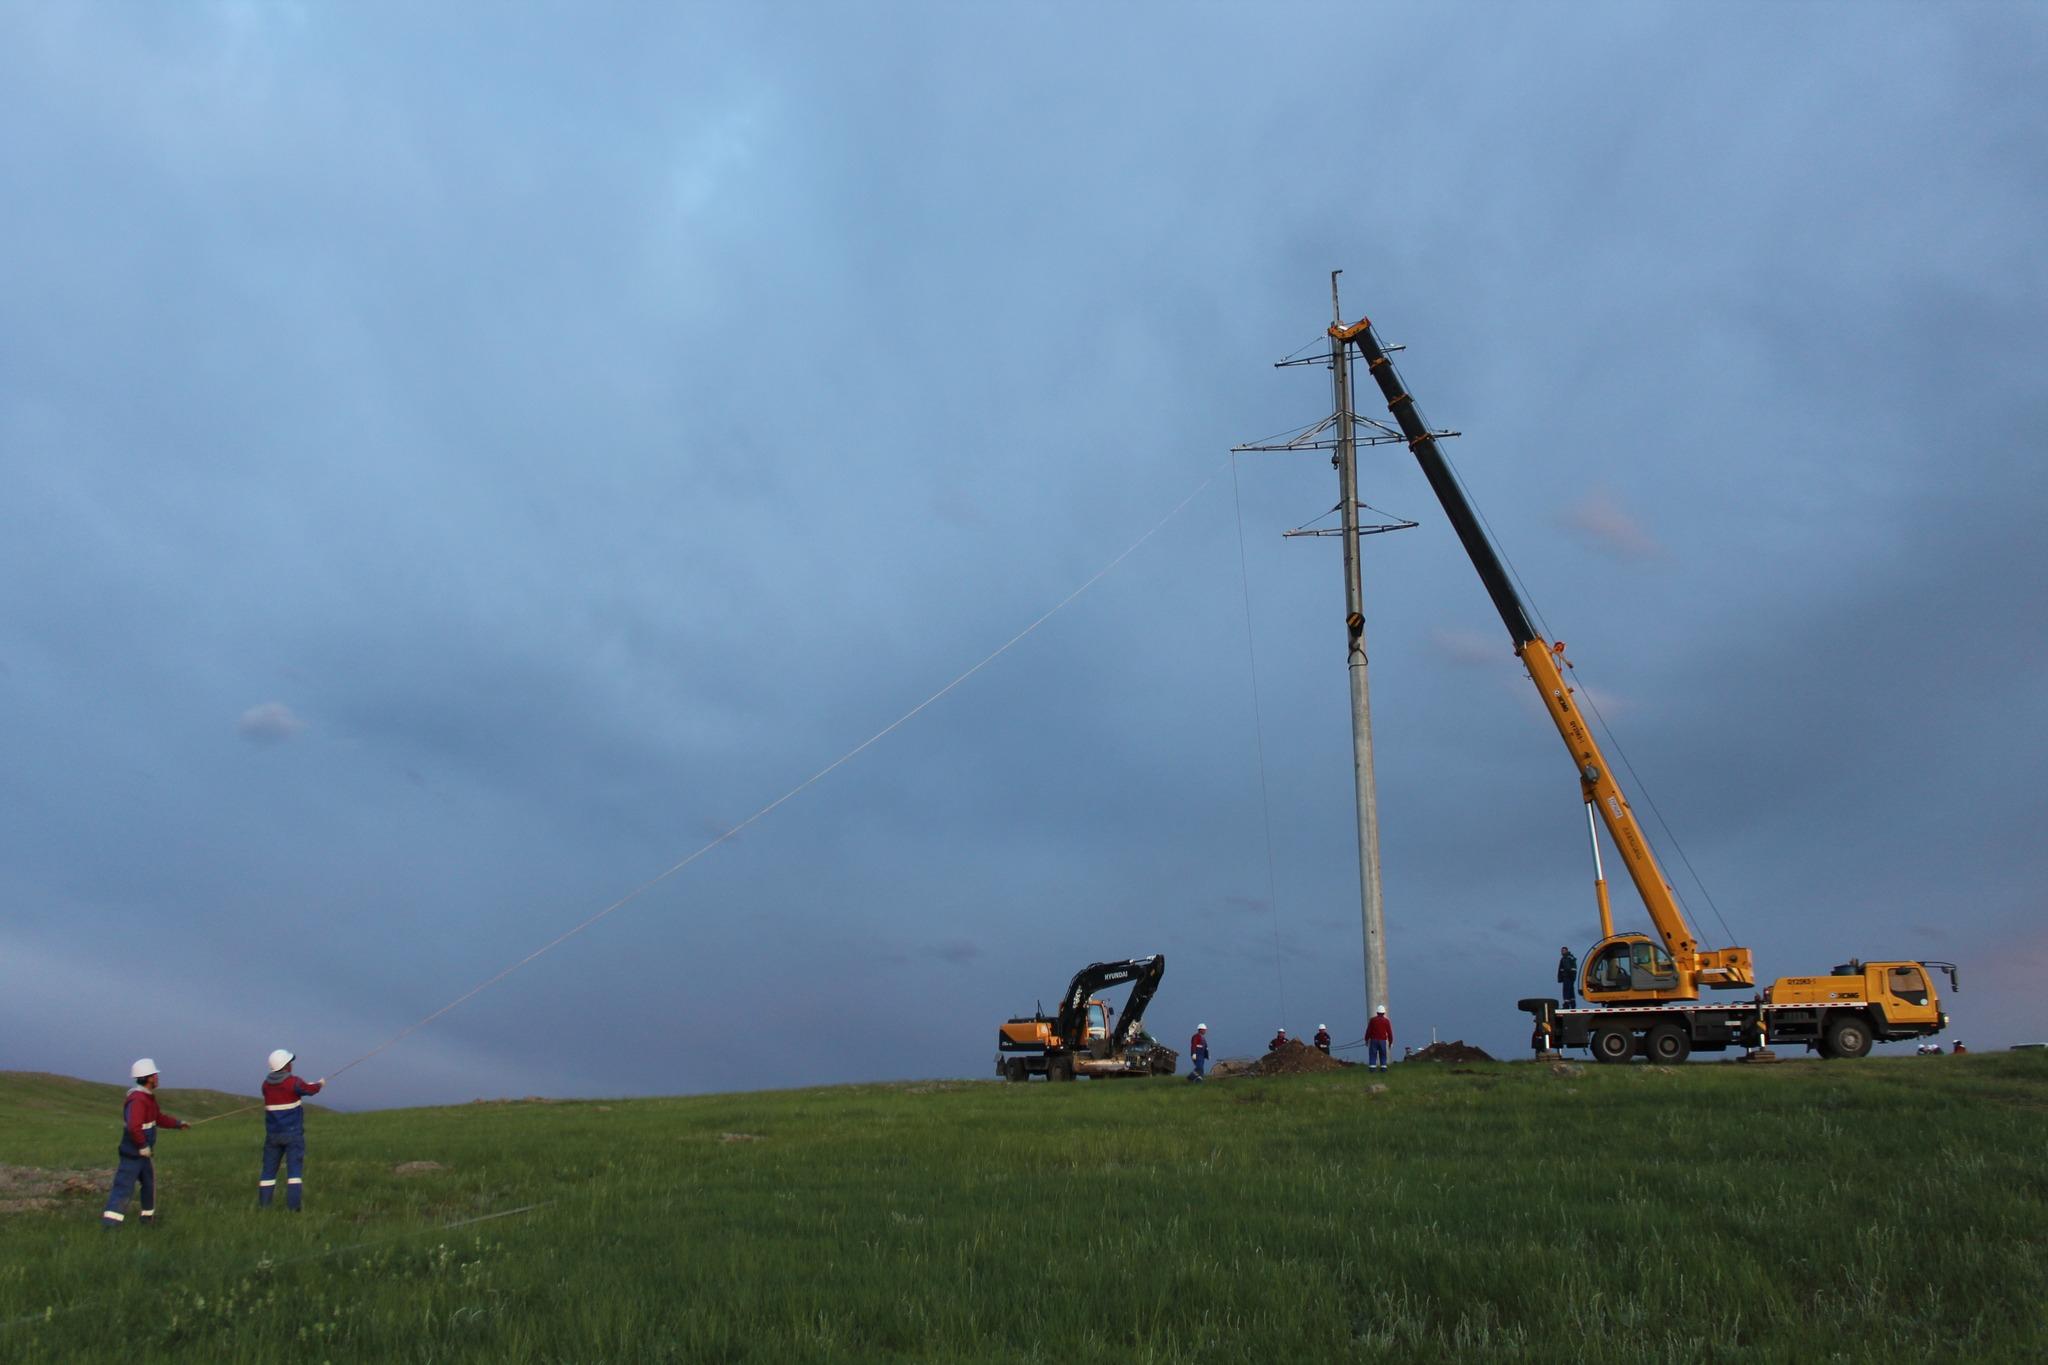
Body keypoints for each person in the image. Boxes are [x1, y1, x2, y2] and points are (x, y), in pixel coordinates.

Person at [101, 1059, 189, 1228]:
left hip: (144, 1155)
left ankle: (147, 1221)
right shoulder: (138, 1100)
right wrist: (142, 1146)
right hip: (133, 1155)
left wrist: (178, 1124)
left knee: (149, 1186)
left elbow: (158, 1118)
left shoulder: (147, 1098)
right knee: (124, 1188)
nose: (157, 1078)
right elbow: (134, 1126)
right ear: (148, 1078)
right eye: (155, 1075)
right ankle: (110, 1226)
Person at [259, 1048, 325, 1211]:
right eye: (290, 1062)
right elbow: (309, 1090)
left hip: (272, 1135)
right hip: (293, 1134)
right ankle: (293, 1208)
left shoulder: (265, 1085)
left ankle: (264, 1207)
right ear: (286, 1066)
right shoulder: (294, 1082)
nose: (291, 1065)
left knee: (268, 1172)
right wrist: (320, 1084)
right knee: (294, 1172)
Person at [1365, 1006, 1394, 1072]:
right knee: (1383, 1054)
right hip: (1382, 1041)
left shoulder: (1372, 1020)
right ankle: (1383, 1069)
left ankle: (1372, 1069)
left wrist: (1366, 1040)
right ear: (1384, 1013)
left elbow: (1368, 1031)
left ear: (1377, 1012)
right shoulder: (1386, 1021)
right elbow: (1390, 1033)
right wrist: (1390, 1042)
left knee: (1373, 1054)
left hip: (1374, 1040)